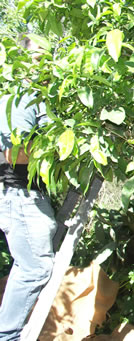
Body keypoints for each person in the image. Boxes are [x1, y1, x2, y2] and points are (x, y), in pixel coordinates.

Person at [0, 91, 57, 340]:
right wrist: (63, 148)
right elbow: (14, 153)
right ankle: (7, 335)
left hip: (27, 193)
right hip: (17, 193)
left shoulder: (43, 96)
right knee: (34, 267)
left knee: (33, 265)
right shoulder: (22, 95)